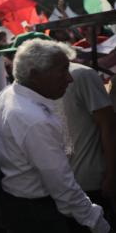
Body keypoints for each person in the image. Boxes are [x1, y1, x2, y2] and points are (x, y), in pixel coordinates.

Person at [0, 39, 111, 233]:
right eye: (63, 70)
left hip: (22, 207)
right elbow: (64, 190)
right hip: (38, 213)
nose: (70, 79)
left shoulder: (10, 94)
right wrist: (100, 224)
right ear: (35, 75)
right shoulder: (33, 119)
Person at [61, 63, 116, 230]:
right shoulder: (24, 87)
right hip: (66, 182)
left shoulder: (82, 76)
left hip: (90, 181)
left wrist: (112, 174)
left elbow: (108, 125)